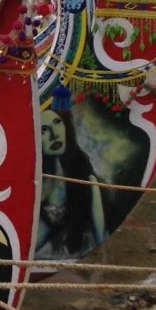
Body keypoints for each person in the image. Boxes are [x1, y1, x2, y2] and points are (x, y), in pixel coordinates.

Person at [36, 109, 106, 258]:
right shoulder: (28, 182)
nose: (54, 135)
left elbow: (102, 239)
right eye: (43, 130)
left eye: (57, 123)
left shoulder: (85, 181)